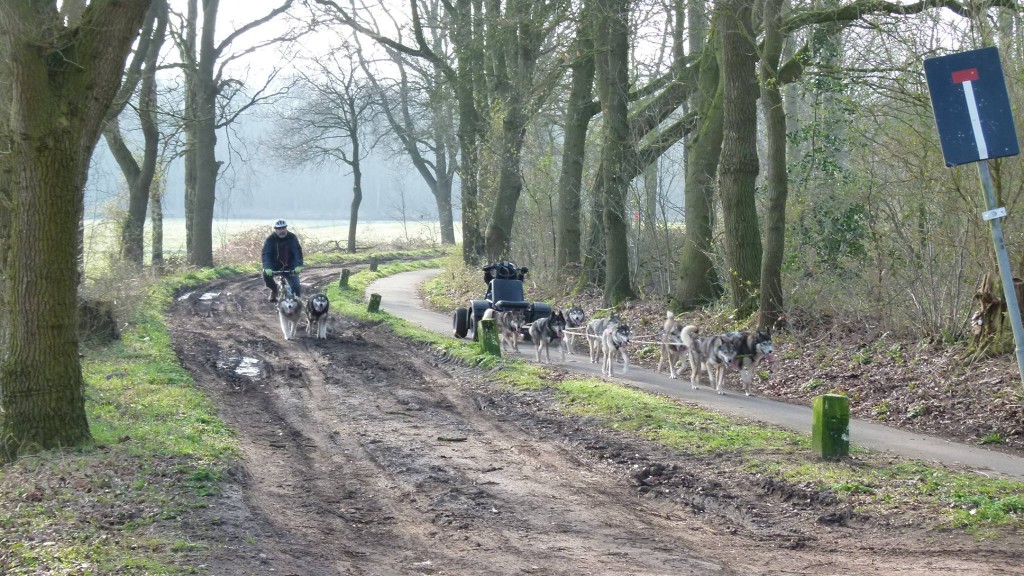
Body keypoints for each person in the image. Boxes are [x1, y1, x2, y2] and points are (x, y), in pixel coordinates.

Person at [262, 219, 304, 302]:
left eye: (283, 228)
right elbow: (266, 254)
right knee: (265, 274)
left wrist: (298, 265)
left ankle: (298, 304)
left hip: (290, 265)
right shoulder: (270, 240)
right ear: (275, 230)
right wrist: (267, 267)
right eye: (279, 229)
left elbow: (297, 252)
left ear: (286, 228)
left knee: (296, 286)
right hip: (275, 265)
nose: (282, 230)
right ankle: (274, 289)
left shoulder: (292, 237)